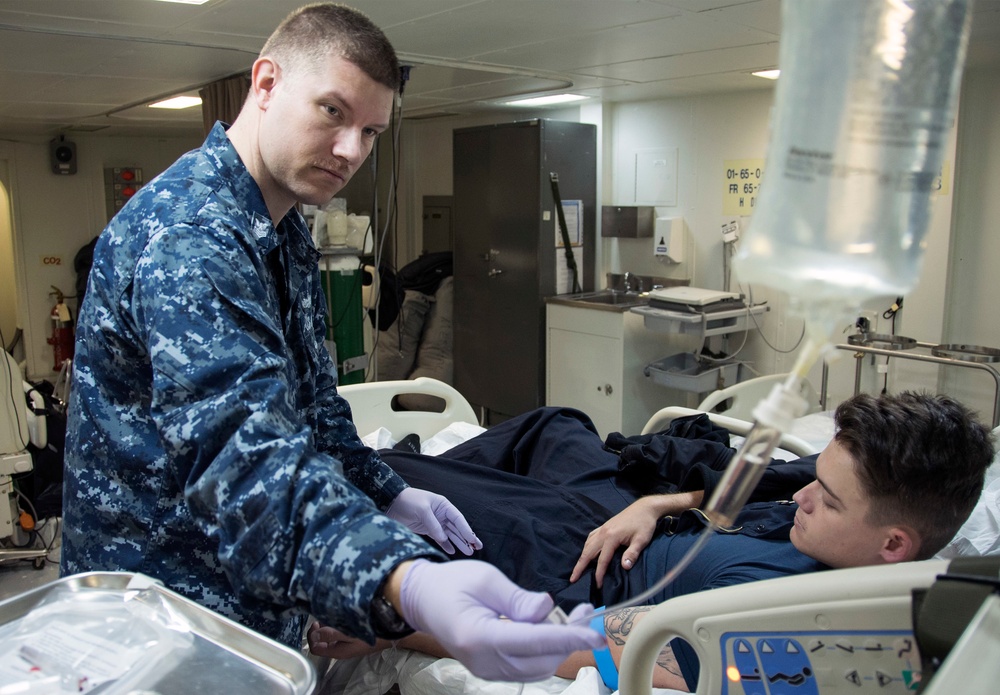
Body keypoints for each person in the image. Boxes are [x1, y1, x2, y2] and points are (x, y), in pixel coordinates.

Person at [60, 3, 604, 683]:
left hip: (241, 608)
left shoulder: (280, 228)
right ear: (265, 83)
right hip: (163, 617)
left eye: (371, 131)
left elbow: (313, 411)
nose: (352, 150)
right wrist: (402, 580)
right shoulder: (191, 238)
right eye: (332, 112)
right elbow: (245, 463)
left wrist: (388, 489)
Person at [307, 391, 994, 690]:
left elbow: (573, 643)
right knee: (553, 424)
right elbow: (773, 483)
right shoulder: (841, 528)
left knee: (382, 475)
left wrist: (392, 631)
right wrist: (661, 501)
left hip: (568, 563)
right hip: (627, 516)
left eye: (827, 497)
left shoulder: (787, 629)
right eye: (815, 478)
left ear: (895, 545)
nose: (802, 497)